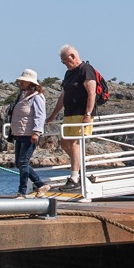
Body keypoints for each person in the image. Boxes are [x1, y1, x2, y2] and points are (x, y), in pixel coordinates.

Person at [47, 45, 100, 197]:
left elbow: (91, 93)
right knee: (65, 144)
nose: (64, 64)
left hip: (81, 113)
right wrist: (53, 115)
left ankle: (75, 178)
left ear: (72, 56)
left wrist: (88, 114)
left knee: (75, 143)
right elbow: (62, 96)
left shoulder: (86, 69)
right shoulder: (68, 74)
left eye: (65, 61)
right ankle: (80, 169)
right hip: (69, 113)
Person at [8, 69, 50, 198]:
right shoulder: (22, 95)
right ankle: (40, 184)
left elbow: (40, 115)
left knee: (23, 162)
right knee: (19, 162)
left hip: (29, 134)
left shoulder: (36, 97)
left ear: (30, 82)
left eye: (23, 80)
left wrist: (36, 132)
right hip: (19, 134)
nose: (20, 82)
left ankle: (22, 191)